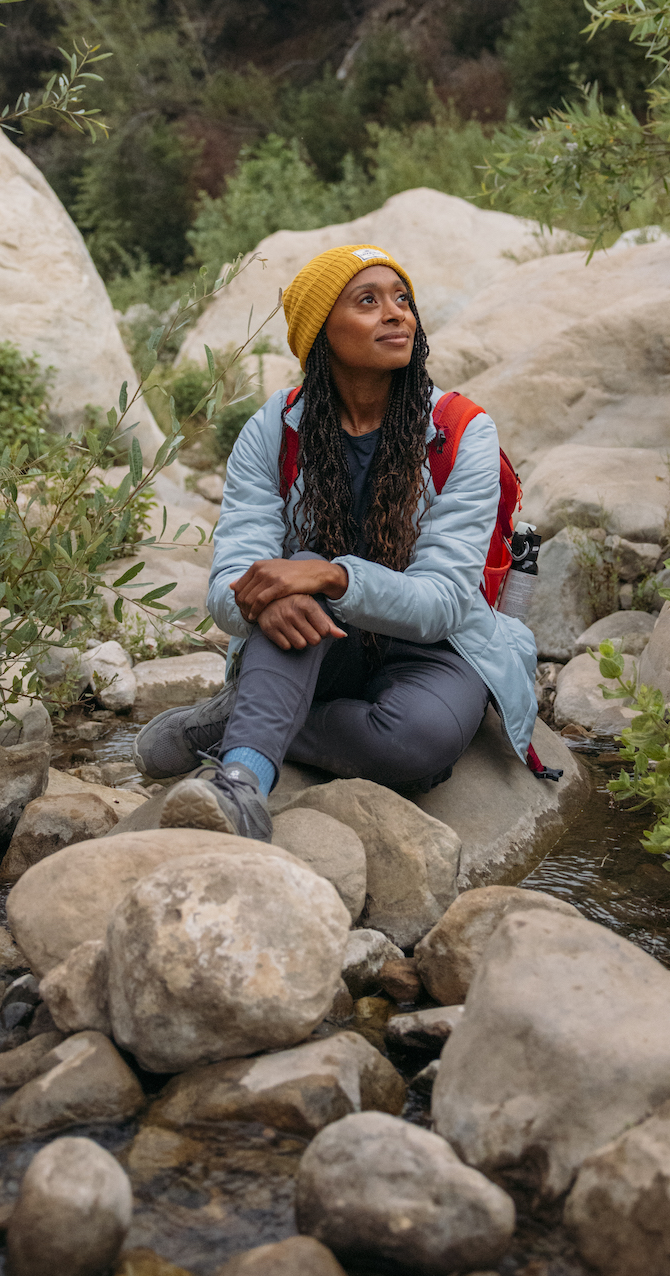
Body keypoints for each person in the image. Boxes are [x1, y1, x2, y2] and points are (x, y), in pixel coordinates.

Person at [133, 242, 538, 840]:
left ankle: (235, 726)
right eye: (368, 302)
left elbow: (447, 602)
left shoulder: (461, 431)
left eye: (403, 300)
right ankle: (242, 784)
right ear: (322, 330)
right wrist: (268, 591)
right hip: (313, 639)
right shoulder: (272, 430)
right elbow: (229, 587)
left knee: (414, 742)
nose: (397, 313)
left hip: (436, 646)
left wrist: (332, 576)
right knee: (289, 582)